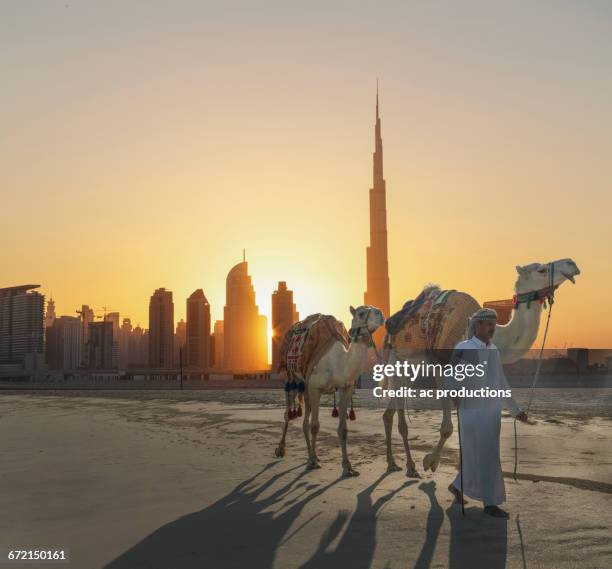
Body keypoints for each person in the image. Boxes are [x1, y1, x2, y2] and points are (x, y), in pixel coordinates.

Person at [447, 308, 528, 518]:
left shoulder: (494, 350)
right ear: (478, 326)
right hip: (471, 412)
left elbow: (500, 382)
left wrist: (515, 410)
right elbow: (452, 377)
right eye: (489, 324)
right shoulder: (465, 348)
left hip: (492, 413)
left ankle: (457, 486)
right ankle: (490, 503)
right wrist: (454, 393)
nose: (492, 328)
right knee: (486, 455)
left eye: (494, 324)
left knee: (479, 455)